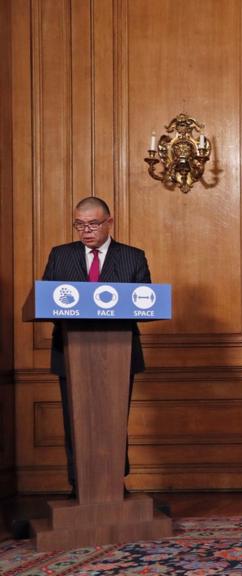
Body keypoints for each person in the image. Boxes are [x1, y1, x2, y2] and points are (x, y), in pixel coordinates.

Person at [42, 196, 151, 497]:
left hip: (119, 353)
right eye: (80, 224)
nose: (86, 230)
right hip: (70, 352)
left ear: (109, 222)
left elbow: (146, 304)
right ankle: (79, 485)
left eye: (92, 224)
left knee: (114, 420)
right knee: (75, 420)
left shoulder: (133, 257)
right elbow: (46, 302)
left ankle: (115, 483)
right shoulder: (60, 256)